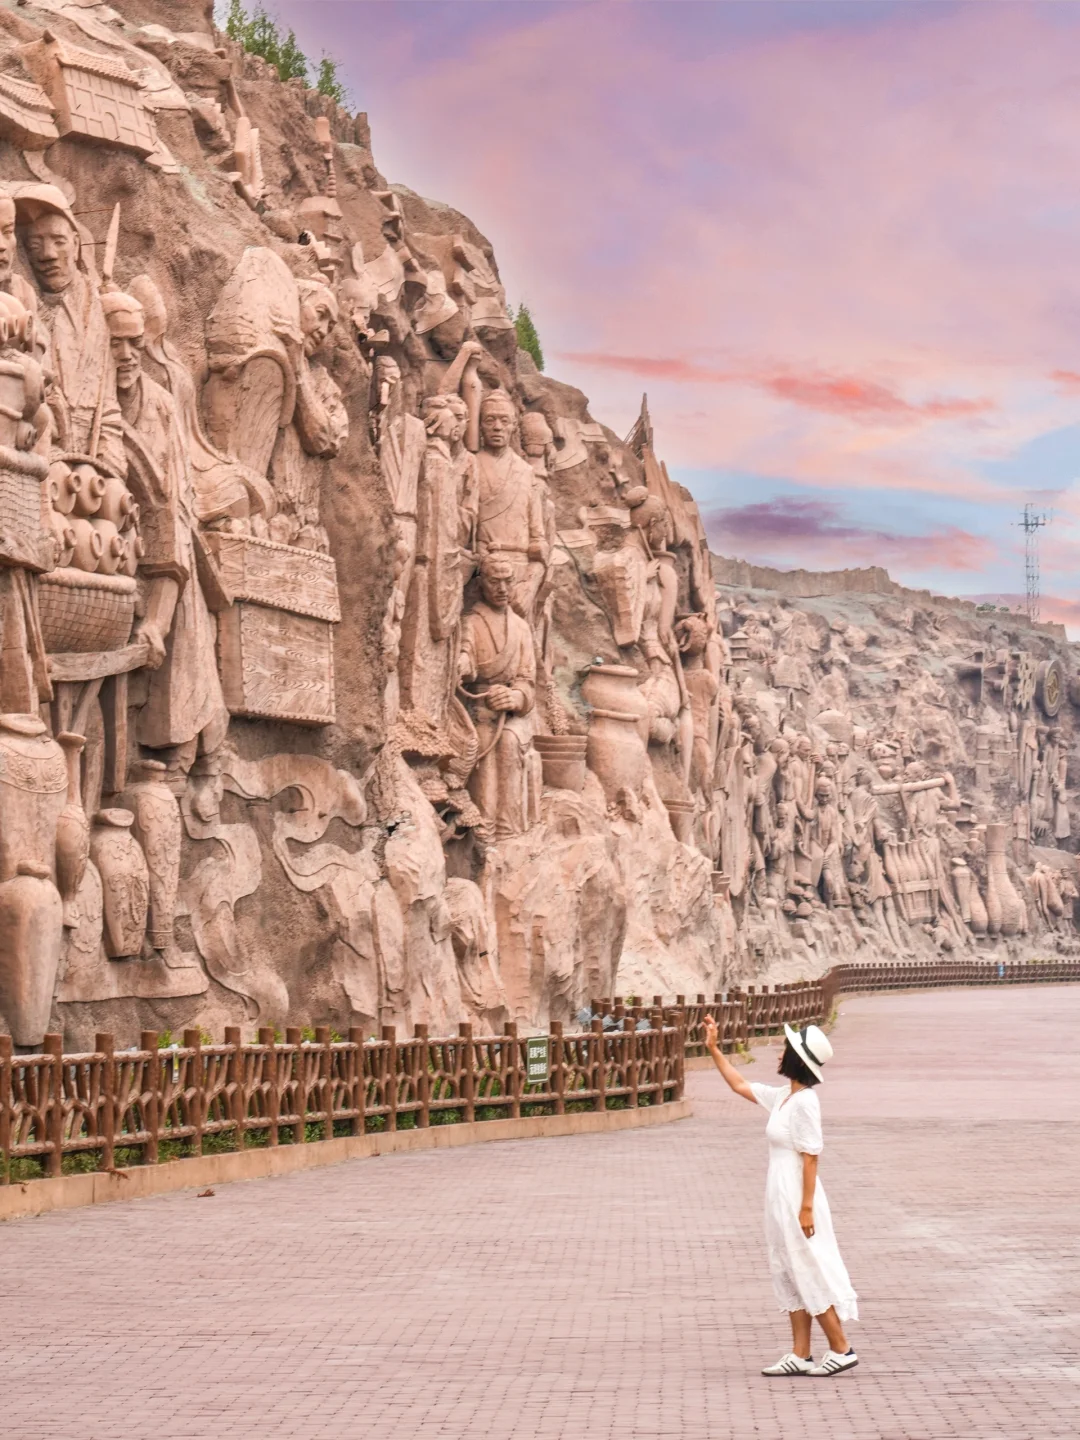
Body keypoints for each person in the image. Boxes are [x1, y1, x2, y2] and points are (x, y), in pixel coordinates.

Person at [703, 1014, 859, 1377]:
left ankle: (841, 1348)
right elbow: (740, 1085)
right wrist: (713, 1048)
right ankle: (800, 1353)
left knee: (807, 1264)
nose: (779, 1053)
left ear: (796, 1059)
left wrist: (806, 1208)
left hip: (796, 1195)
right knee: (788, 1267)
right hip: (780, 1192)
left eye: (785, 1049)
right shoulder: (784, 1097)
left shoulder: (805, 1102)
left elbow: (811, 1155)